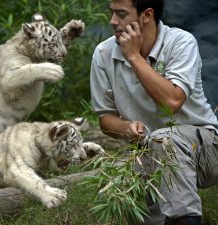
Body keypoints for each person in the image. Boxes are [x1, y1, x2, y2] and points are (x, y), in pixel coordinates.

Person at [89, 0, 218, 224]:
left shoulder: (180, 41)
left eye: (121, 14)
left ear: (147, 15)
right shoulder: (103, 52)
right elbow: (105, 118)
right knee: (116, 174)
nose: (113, 22)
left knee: (163, 141)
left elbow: (172, 101)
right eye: (112, 13)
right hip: (148, 149)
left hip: (205, 149)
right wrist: (126, 128)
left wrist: (134, 57)